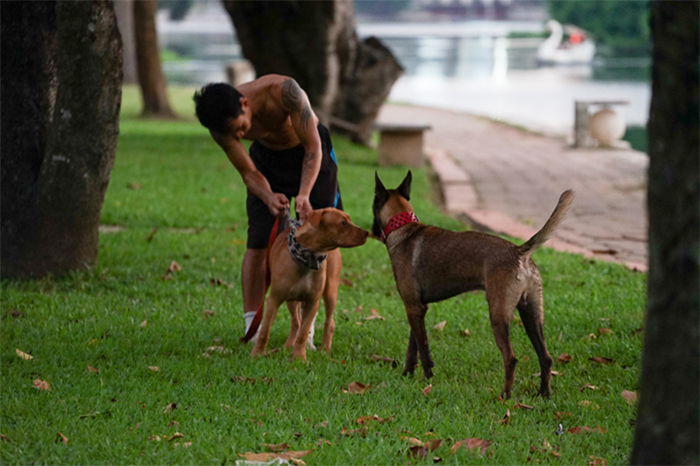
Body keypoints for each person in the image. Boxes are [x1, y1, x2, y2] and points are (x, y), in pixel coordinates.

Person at [193, 75, 342, 344]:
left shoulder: (285, 92)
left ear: (245, 103)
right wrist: (268, 196)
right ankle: (254, 328)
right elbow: (248, 172)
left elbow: (313, 147)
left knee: (322, 235)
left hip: (310, 154)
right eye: (232, 134)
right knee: (258, 239)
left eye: (240, 127)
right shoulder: (219, 125)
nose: (238, 136)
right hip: (266, 159)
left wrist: (304, 194)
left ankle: (307, 329)